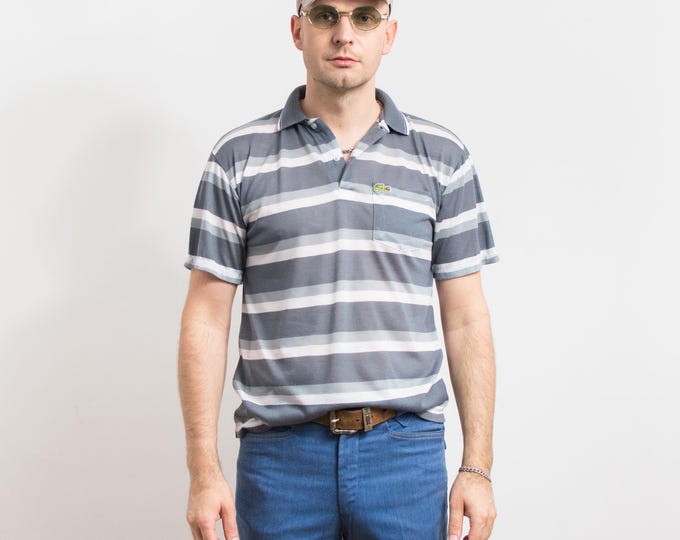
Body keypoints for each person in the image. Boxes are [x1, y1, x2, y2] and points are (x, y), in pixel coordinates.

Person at [178, 1, 499, 539]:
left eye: (365, 16)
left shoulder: (443, 158)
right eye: (326, 14)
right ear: (297, 29)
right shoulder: (237, 158)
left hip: (405, 456)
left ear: (388, 34)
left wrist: (477, 467)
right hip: (280, 460)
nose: (344, 34)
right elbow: (206, 319)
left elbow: (467, 318)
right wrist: (203, 472)